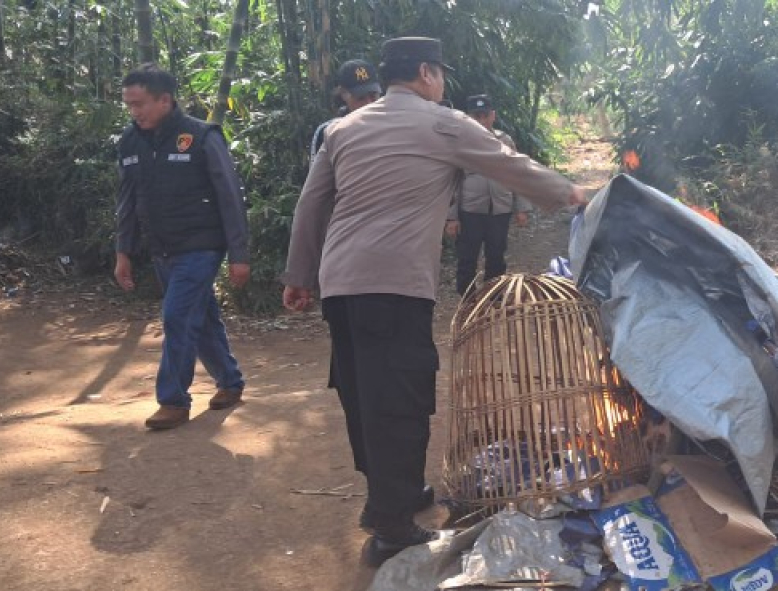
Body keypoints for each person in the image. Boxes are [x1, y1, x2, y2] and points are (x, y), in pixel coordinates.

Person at [281, 37, 585, 567]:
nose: (441, 82)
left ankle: (394, 493)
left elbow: (312, 205)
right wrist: (571, 195)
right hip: (394, 283)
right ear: (425, 73)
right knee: (399, 395)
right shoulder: (441, 121)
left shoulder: (342, 129)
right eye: (439, 73)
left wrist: (299, 275)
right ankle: (391, 523)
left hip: (342, 283)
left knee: (361, 391)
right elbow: (508, 163)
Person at [114, 64, 250, 430]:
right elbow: (126, 201)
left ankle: (173, 400)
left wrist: (239, 255)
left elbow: (230, 198)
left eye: (139, 104)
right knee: (200, 318)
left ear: (165, 99)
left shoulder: (201, 136)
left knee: (176, 316)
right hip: (162, 249)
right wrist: (123, 252)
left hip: (201, 246)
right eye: (129, 105)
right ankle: (230, 381)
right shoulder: (130, 141)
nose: (134, 112)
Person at [444, 94, 534, 295]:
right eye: (476, 116)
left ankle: (492, 300)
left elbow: (518, 173)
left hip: (500, 209)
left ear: (493, 115)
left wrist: (521, 208)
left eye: (485, 115)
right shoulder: (460, 144)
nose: (481, 121)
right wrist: (451, 217)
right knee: (467, 259)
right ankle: (468, 303)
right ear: (468, 118)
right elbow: (452, 182)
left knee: (496, 257)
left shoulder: (505, 141)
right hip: (470, 211)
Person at [309, 59, 383, 157]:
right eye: (360, 98)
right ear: (344, 94)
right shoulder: (328, 133)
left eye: (373, 96)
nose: (368, 103)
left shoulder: (392, 126)